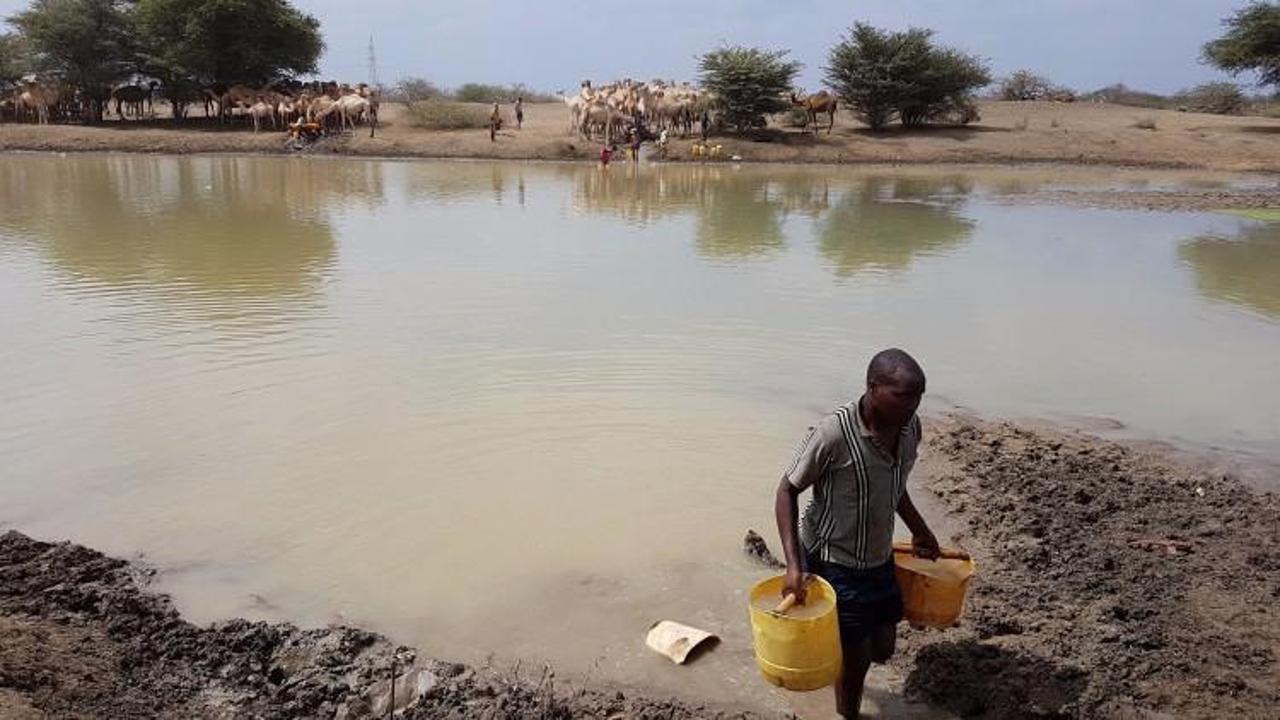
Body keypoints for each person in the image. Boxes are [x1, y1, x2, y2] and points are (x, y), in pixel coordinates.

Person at [774, 348, 940, 719]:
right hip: (834, 561)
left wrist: (920, 529)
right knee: (857, 658)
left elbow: (894, 485)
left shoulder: (910, 428)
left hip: (878, 557)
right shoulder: (833, 433)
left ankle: (835, 654)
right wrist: (793, 565)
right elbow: (786, 491)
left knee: (883, 647)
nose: (912, 405)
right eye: (902, 396)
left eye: (918, 396)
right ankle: (847, 714)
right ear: (872, 388)